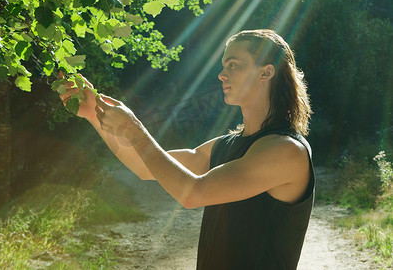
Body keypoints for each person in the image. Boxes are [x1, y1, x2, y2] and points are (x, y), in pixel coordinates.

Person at [59, 29, 314, 270]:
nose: (221, 74)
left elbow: (193, 193)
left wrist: (133, 127)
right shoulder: (225, 145)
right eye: (224, 66)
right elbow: (144, 167)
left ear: (266, 72)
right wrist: (94, 113)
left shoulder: (286, 151)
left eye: (233, 65)